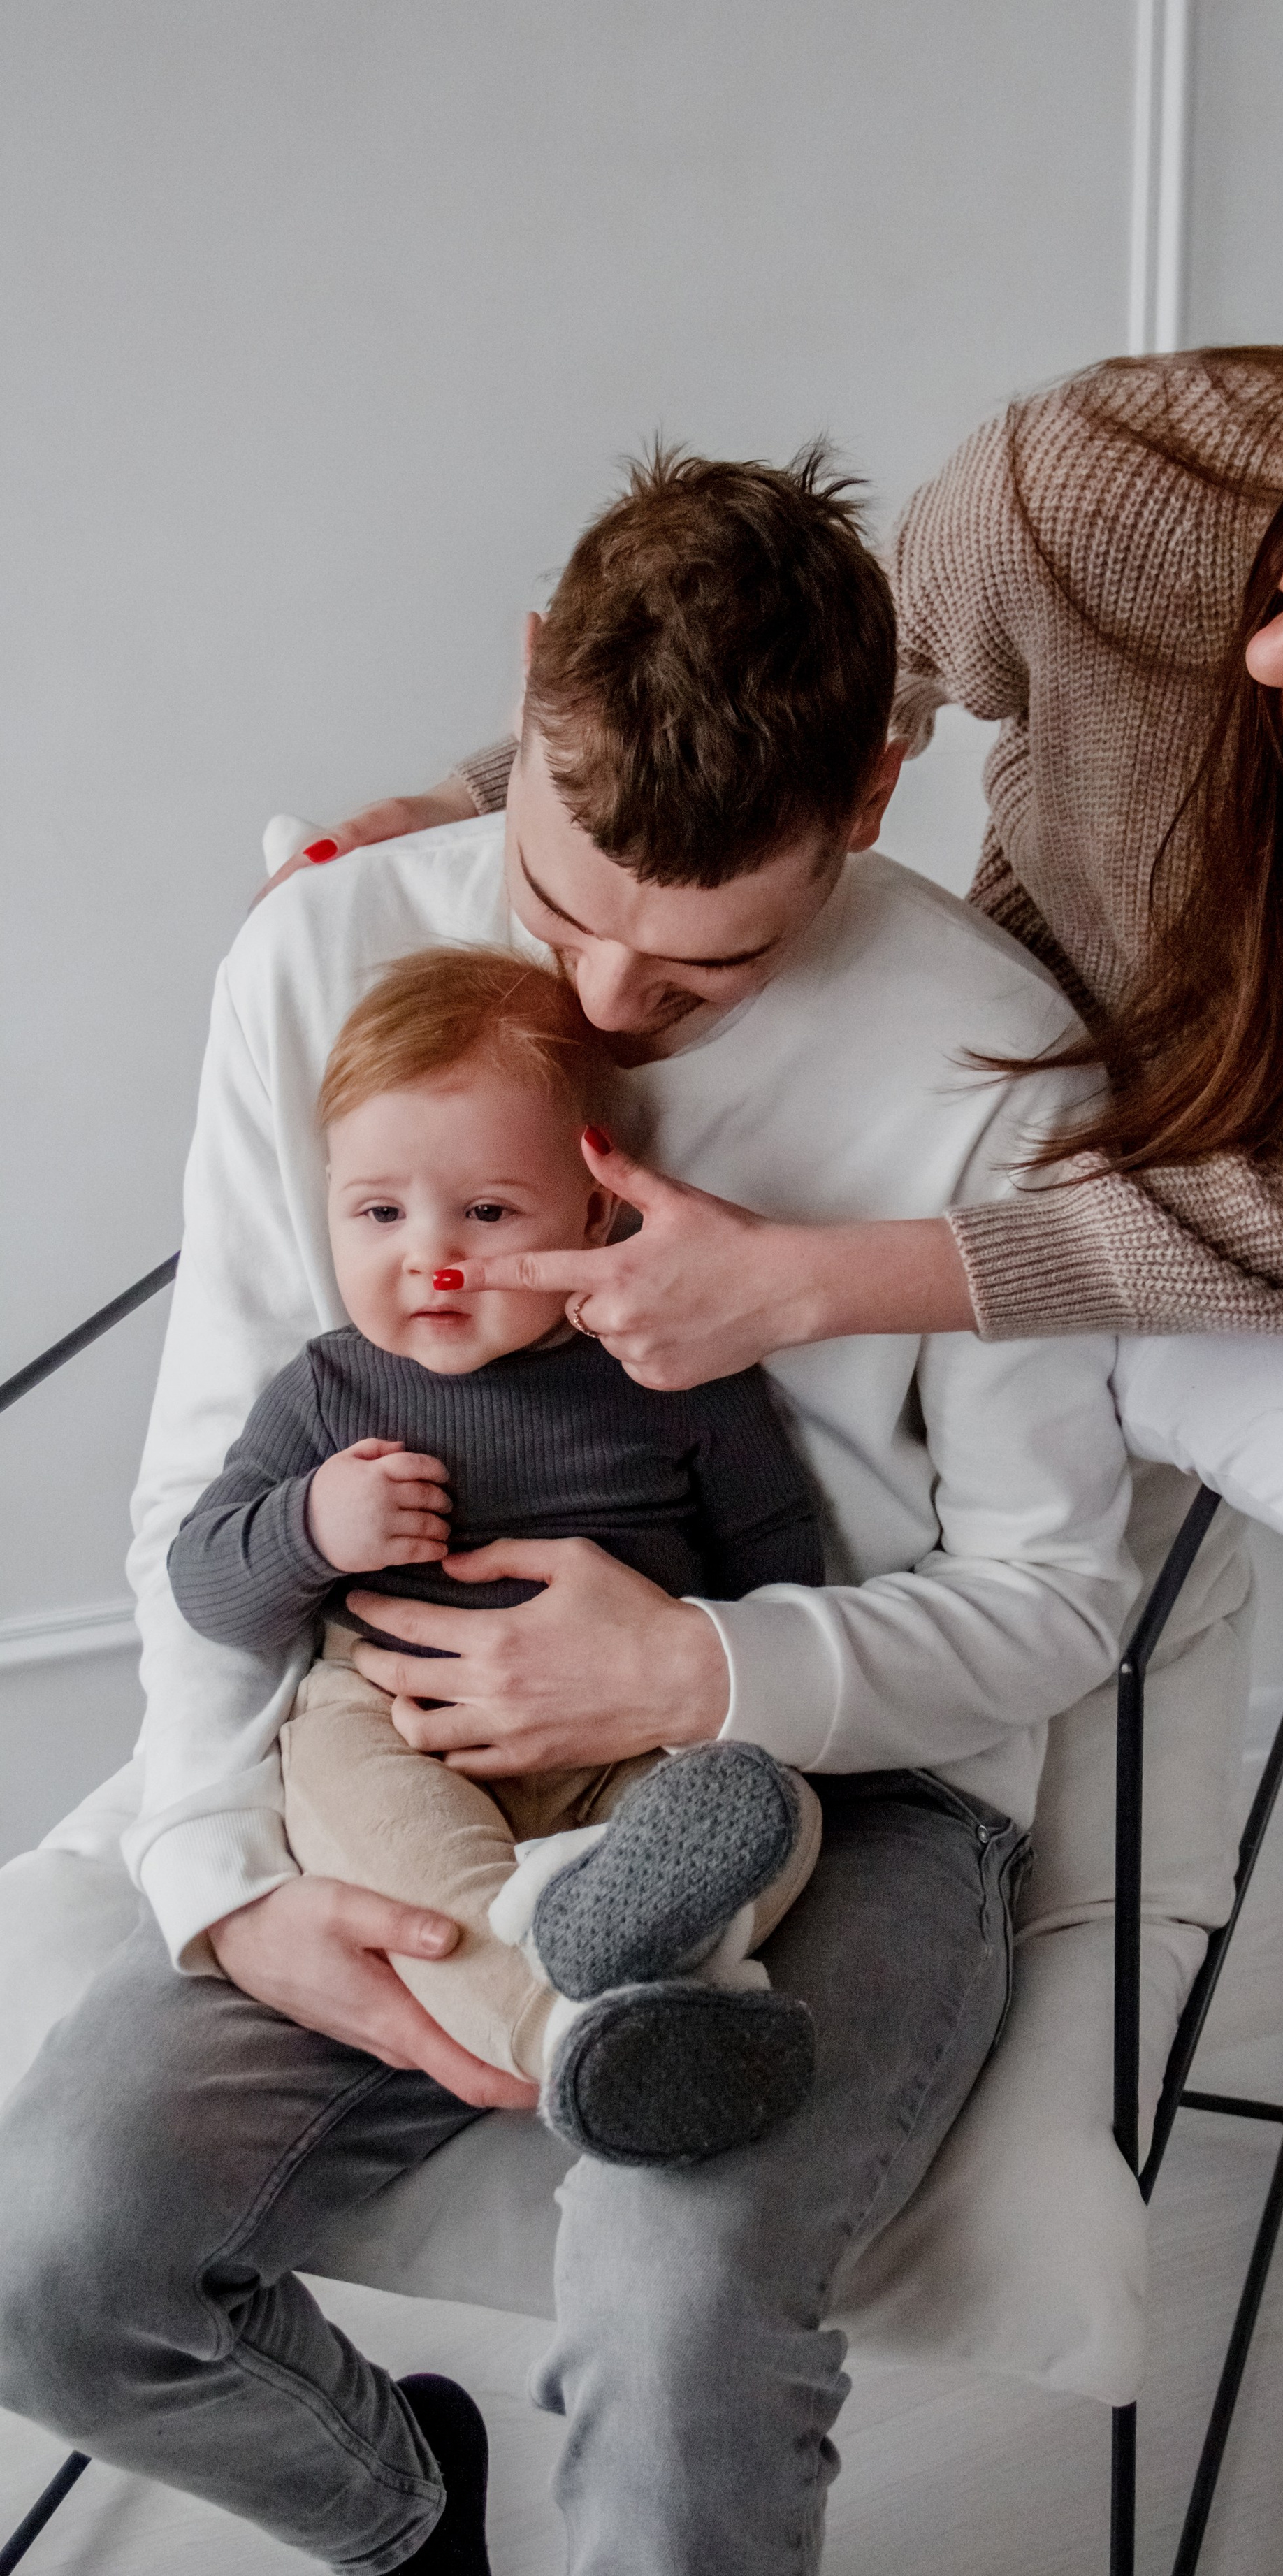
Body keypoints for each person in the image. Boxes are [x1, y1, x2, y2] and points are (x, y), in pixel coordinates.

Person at [296, 285, 1283, 2436]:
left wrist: (816, 1285)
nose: (1282, 667)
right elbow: (823, 704)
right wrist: (442, 815)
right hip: (1089, 1172)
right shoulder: (1106, 486)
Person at [0, 447, 1150, 2576]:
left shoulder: (995, 1067)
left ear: (871, 796)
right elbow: (211, 1471)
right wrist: (214, 1871)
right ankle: (405, 2513)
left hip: (846, 1787)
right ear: (533, 691)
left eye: (704, 975)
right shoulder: (321, 953)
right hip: (389, 1734)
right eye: (562, 905)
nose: (607, 1012)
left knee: (684, 2299)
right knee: (50, 2259)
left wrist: (697, 1662)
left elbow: (1060, 1599)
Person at [168, 943, 829, 2163]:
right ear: (326, 1206)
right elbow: (206, 1584)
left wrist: (711, 1668)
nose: (431, 1254)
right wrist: (311, 1525)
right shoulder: (329, 1389)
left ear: (593, 1214)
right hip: (394, 1723)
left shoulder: (666, 1367)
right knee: (410, 1881)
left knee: (773, 1807)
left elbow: (778, 1552)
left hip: (634, 1737)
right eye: (378, 1212)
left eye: (486, 1211)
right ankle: (573, 2037)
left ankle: (615, 1940)